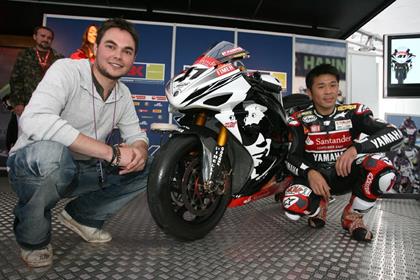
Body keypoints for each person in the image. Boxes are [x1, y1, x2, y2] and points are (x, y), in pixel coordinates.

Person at [7, 18, 149, 268]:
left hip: (83, 169)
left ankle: (83, 217)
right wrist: (111, 153)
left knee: (152, 166)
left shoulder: (123, 94)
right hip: (34, 164)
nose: (118, 56)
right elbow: (35, 119)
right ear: (95, 49)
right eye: (111, 46)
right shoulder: (67, 69)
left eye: (127, 51)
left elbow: (137, 134)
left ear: (133, 58)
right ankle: (34, 240)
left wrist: (139, 149)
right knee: (53, 154)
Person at [282, 64, 403, 242]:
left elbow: (395, 133)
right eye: (321, 86)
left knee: (384, 171)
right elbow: (289, 157)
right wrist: (310, 173)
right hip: (315, 181)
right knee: (293, 206)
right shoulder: (298, 119)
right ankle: (320, 205)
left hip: (345, 176)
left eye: (333, 85)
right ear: (309, 92)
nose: (329, 92)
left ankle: (352, 216)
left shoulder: (353, 112)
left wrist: (356, 149)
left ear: (338, 88)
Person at [8, 26, 64, 149]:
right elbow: (16, 80)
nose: (46, 39)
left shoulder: (59, 58)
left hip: (50, 107)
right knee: (24, 140)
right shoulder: (24, 55)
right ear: (35, 37)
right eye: (42, 36)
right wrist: (17, 103)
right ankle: (21, 165)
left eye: (49, 38)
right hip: (27, 105)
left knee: (47, 139)